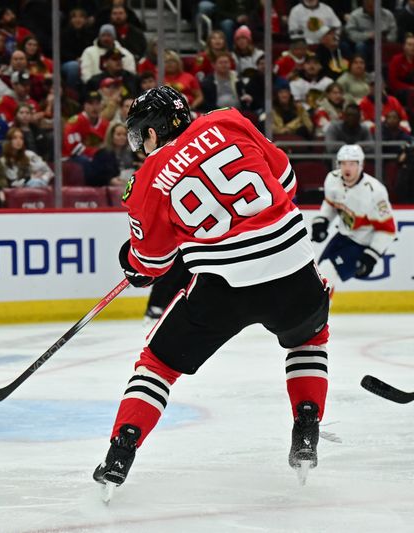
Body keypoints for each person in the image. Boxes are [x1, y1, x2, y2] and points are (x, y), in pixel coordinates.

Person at [94, 86, 331, 494]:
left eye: (140, 137)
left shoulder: (147, 180)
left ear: (152, 133)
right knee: (309, 339)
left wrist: (131, 265)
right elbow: (287, 180)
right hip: (291, 266)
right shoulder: (228, 120)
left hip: (223, 286)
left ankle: (121, 452)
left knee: (158, 364)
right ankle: (306, 426)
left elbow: (152, 263)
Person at [310, 144, 397, 286]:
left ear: (360, 165)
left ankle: (321, 308)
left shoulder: (375, 192)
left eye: (351, 164)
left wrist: (372, 255)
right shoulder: (332, 179)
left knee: (324, 277)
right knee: (318, 276)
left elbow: (387, 230)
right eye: (343, 163)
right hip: (342, 235)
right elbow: (331, 204)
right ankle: (324, 308)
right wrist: (322, 220)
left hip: (361, 244)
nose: (346, 168)